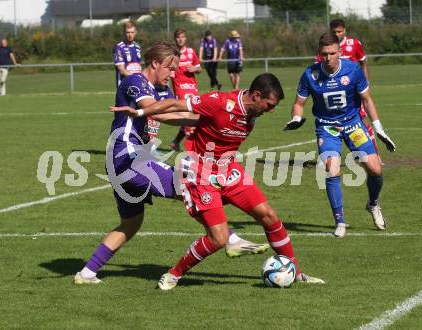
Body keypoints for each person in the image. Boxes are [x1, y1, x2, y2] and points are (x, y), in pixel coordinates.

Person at [74, 43, 267, 285]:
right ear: (155, 63)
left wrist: (212, 119)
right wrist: (208, 119)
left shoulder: (160, 91)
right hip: (127, 157)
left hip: (128, 161)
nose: (173, 74)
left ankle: (87, 273)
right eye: (170, 68)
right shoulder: (136, 82)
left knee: (131, 223)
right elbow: (156, 112)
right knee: (188, 183)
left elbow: (176, 114)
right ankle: (230, 239)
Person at [112, 73, 325, 290]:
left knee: (270, 216)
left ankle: (297, 274)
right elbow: (175, 103)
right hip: (200, 172)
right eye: (269, 105)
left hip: (228, 169)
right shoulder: (219, 102)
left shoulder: (251, 111)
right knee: (219, 238)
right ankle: (174, 274)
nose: (271, 111)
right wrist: (140, 112)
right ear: (257, 95)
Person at [286, 33, 396, 238]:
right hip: (327, 128)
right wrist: (295, 118)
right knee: (332, 169)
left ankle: (373, 204)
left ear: (339, 52)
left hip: (353, 124)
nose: (328, 58)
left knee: (375, 169)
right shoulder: (310, 74)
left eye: (332, 53)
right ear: (319, 53)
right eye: (324, 54)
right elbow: (299, 103)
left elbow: (367, 99)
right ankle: (340, 221)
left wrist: (379, 128)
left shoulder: (353, 69)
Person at [316, 19, 380, 157]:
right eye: (334, 32)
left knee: (362, 119)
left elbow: (363, 63)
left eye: (339, 31)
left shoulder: (354, 44)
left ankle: (373, 153)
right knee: (327, 121)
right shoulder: (326, 46)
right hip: (333, 90)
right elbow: (318, 67)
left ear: (344, 30)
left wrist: (366, 81)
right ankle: (327, 155)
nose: (337, 34)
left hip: (353, 90)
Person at [170, 27, 202, 152]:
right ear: (175, 39)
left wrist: (195, 69)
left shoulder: (191, 52)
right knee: (188, 118)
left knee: (193, 117)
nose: (180, 39)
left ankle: (175, 142)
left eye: (183, 37)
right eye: (178, 37)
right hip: (180, 89)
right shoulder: (172, 54)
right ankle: (193, 147)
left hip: (192, 88)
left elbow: (199, 68)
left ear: (186, 38)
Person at [113, 21, 142, 87]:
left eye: (132, 32)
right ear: (124, 33)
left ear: (136, 32)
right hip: (125, 85)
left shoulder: (137, 46)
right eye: (128, 32)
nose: (130, 35)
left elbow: (138, 66)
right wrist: (136, 78)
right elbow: (121, 70)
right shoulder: (119, 47)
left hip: (138, 83)